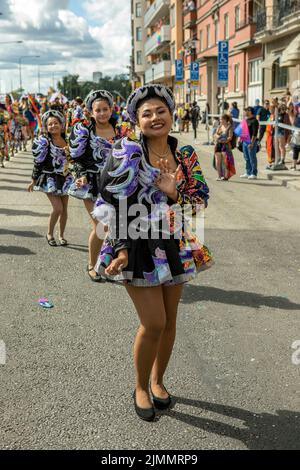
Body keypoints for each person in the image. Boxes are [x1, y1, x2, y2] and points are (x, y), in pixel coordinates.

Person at [94, 84, 213, 422]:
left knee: (170, 322)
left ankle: (159, 381)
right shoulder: (127, 154)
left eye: (161, 110)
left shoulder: (186, 155)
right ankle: (141, 386)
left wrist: (174, 193)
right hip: (134, 245)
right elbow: (108, 204)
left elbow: (201, 202)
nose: (155, 117)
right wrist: (118, 248)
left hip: (174, 244)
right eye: (147, 113)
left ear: (172, 114)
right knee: (154, 322)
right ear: (136, 120)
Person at [69, 90, 133, 282]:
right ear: (90, 112)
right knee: (101, 227)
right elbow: (77, 159)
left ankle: (112, 264)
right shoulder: (85, 132)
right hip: (92, 184)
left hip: (117, 184)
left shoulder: (122, 130)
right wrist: (80, 176)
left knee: (117, 226)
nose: (102, 113)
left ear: (112, 109)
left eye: (105, 109)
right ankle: (91, 264)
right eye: (98, 110)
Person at [27, 110, 73, 246]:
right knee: (57, 208)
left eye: (56, 123)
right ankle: (49, 233)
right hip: (49, 179)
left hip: (65, 178)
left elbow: (74, 160)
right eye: (50, 124)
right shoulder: (45, 142)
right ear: (46, 127)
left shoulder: (68, 140)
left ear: (61, 124)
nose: (53, 126)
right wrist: (33, 180)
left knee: (64, 209)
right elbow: (38, 163)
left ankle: (62, 235)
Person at [214, 114, 236, 181]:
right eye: (220, 119)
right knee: (218, 161)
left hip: (225, 146)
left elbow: (230, 137)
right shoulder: (219, 127)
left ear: (226, 120)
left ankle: (225, 176)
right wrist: (217, 137)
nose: (221, 121)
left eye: (222, 119)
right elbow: (215, 135)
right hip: (218, 145)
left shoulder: (230, 127)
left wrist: (223, 140)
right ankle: (219, 176)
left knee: (225, 162)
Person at [240, 106, 259, 179]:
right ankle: (248, 172)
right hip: (245, 141)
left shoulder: (254, 121)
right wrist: (241, 139)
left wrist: (252, 143)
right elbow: (243, 131)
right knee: (246, 158)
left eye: (246, 110)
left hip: (251, 141)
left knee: (252, 158)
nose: (245, 112)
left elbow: (255, 133)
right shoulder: (246, 120)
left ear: (250, 111)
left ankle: (254, 173)